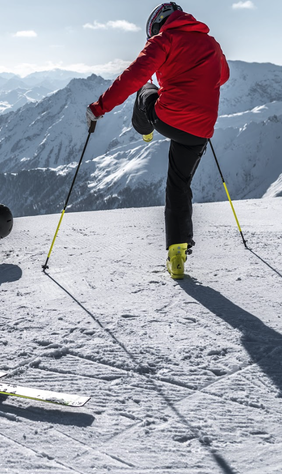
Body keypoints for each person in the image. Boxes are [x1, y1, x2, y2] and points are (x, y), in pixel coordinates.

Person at [86, 2, 229, 279]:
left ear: (156, 25)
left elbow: (131, 77)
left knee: (144, 87)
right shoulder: (212, 44)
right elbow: (223, 76)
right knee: (179, 184)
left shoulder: (164, 40)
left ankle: (145, 130)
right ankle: (177, 252)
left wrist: (99, 107)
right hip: (200, 129)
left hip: (168, 118)